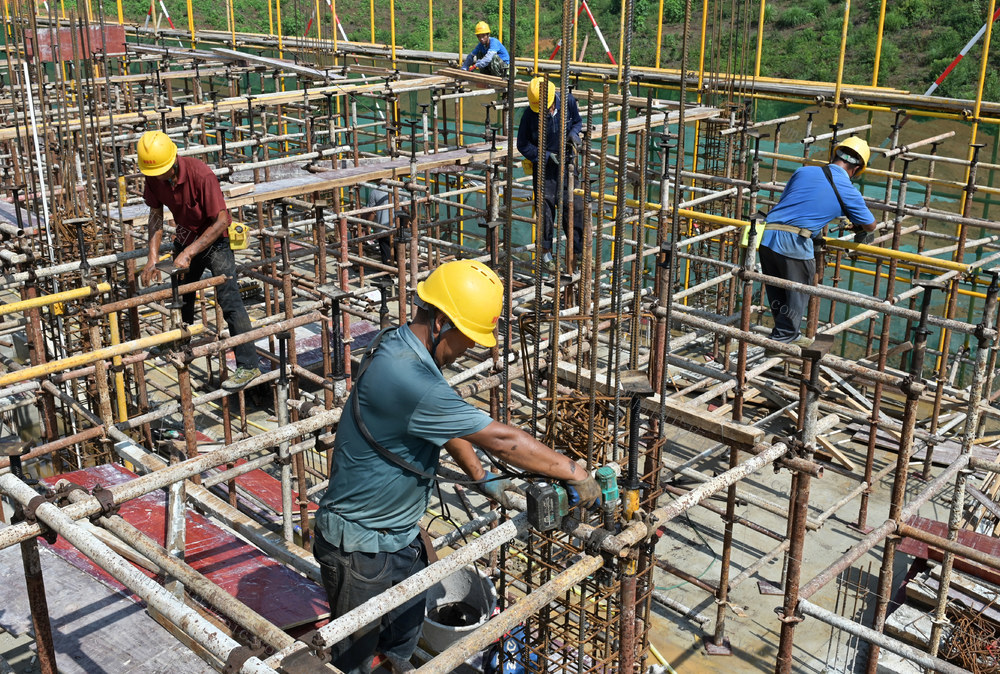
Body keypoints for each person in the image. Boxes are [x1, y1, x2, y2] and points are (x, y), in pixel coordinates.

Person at [313, 259, 601, 674]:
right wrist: (575, 472)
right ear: (441, 323)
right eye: (466, 340)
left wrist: (480, 476)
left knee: (401, 643)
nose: (466, 351)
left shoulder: (399, 344)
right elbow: (503, 441)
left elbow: (442, 424)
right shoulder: (406, 376)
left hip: (399, 535)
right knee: (354, 662)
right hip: (359, 549)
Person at [137, 130, 261, 391]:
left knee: (229, 299)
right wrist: (152, 258)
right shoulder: (154, 176)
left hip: (215, 240)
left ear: (172, 161)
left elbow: (222, 220)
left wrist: (189, 252)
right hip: (186, 237)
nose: (157, 177)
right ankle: (180, 340)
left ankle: (249, 364)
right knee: (181, 292)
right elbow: (155, 215)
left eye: (160, 172)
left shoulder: (200, 174)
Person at [758, 136, 876, 351]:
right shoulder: (848, 190)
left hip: (766, 235)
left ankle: (787, 334)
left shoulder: (803, 171)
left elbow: (794, 202)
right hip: (794, 242)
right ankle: (781, 341)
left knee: (777, 291)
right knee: (798, 292)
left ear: (834, 155)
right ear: (857, 169)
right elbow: (870, 225)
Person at [516, 76, 585, 270]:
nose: (544, 111)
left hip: (568, 164)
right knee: (545, 209)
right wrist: (545, 156)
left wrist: (573, 134)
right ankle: (546, 255)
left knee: (574, 206)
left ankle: (578, 252)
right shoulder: (529, 115)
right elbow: (523, 145)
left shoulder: (568, 102)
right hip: (544, 168)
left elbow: (577, 122)